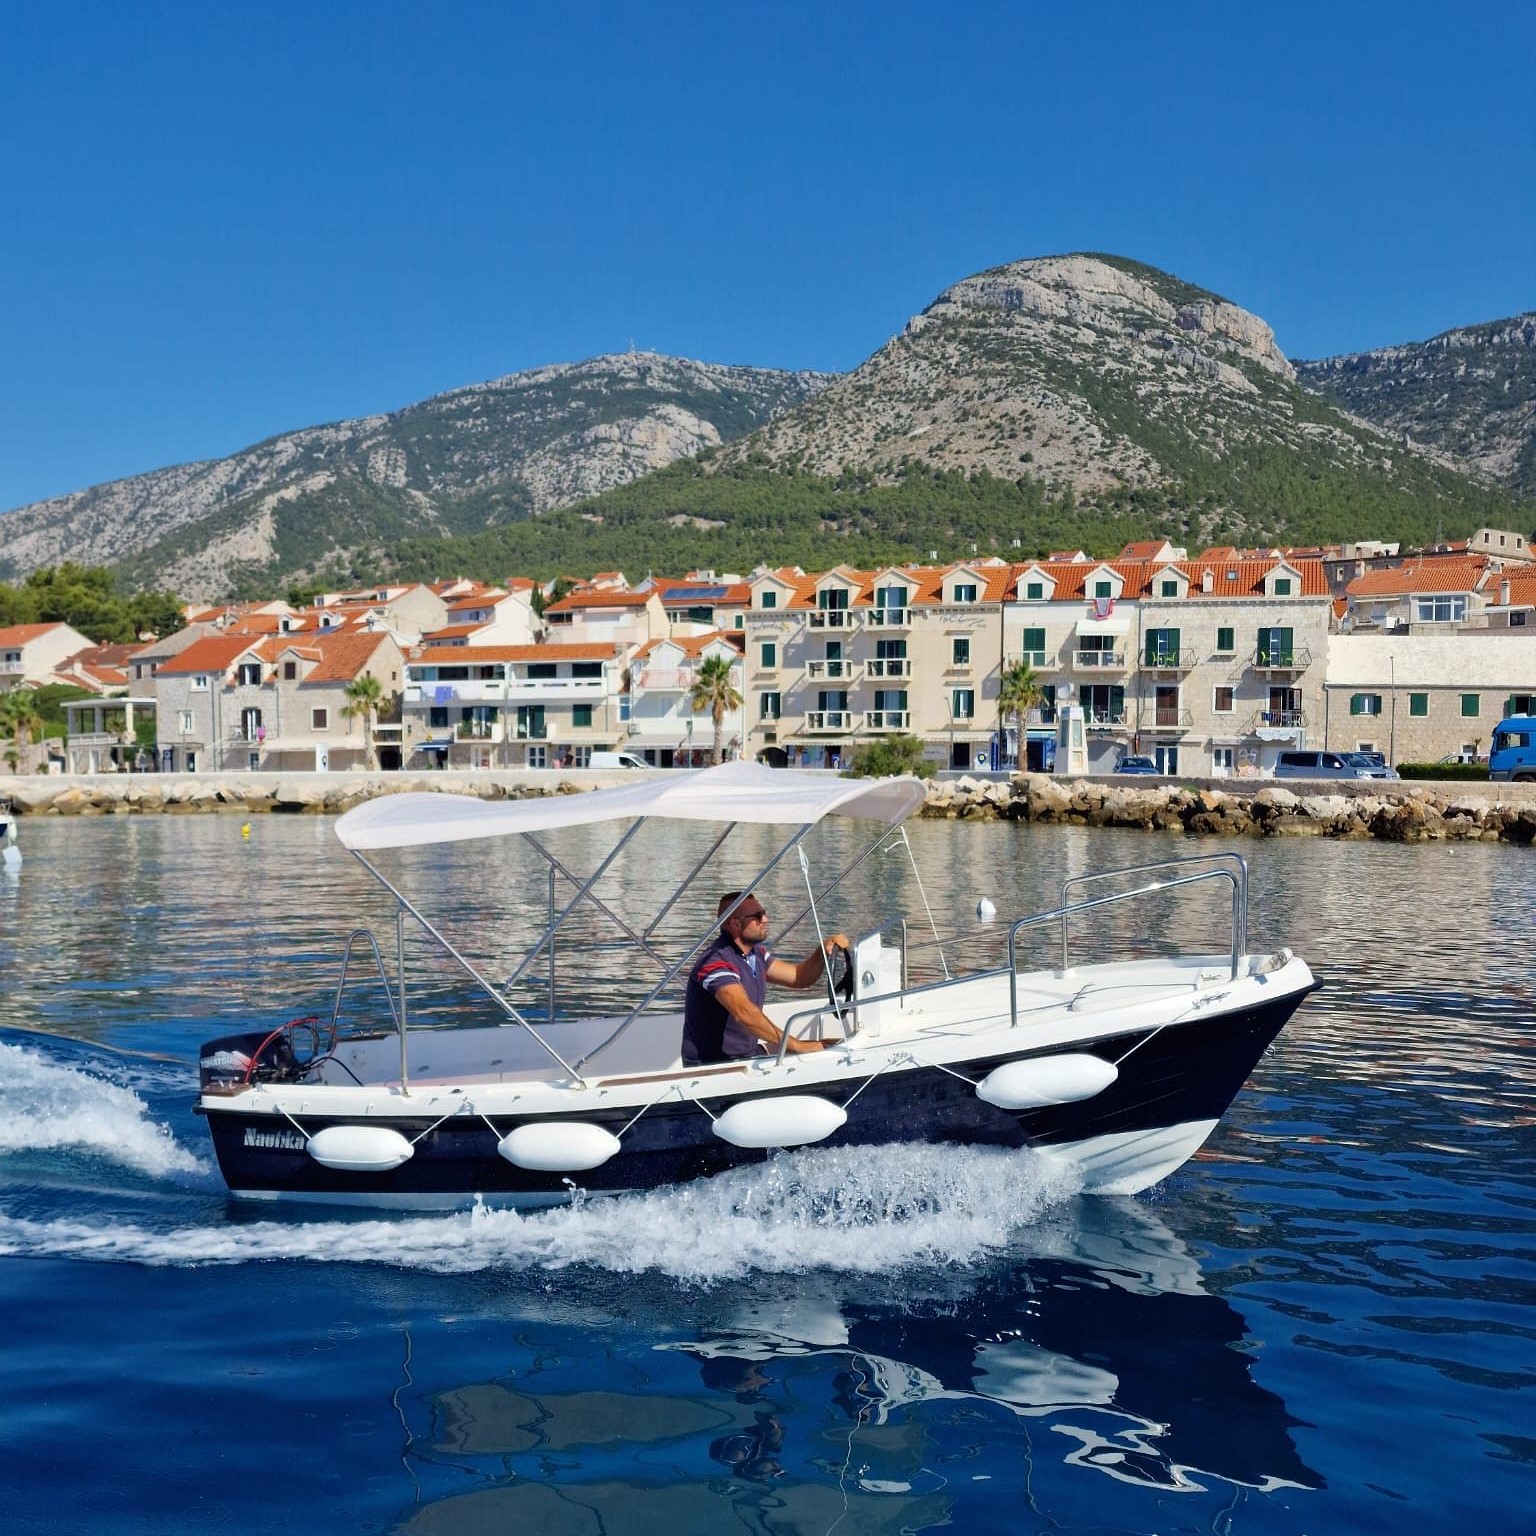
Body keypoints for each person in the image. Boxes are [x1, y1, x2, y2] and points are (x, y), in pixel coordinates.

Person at [682, 891, 848, 1065]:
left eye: (764, 913)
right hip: (715, 1067)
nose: (765, 919)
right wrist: (799, 1046)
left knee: (832, 1046)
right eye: (757, 916)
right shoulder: (715, 962)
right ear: (736, 923)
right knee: (814, 1054)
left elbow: (799, 977)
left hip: (745, 1057)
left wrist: (822, 952)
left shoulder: (756, 953)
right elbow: (745, 1014)